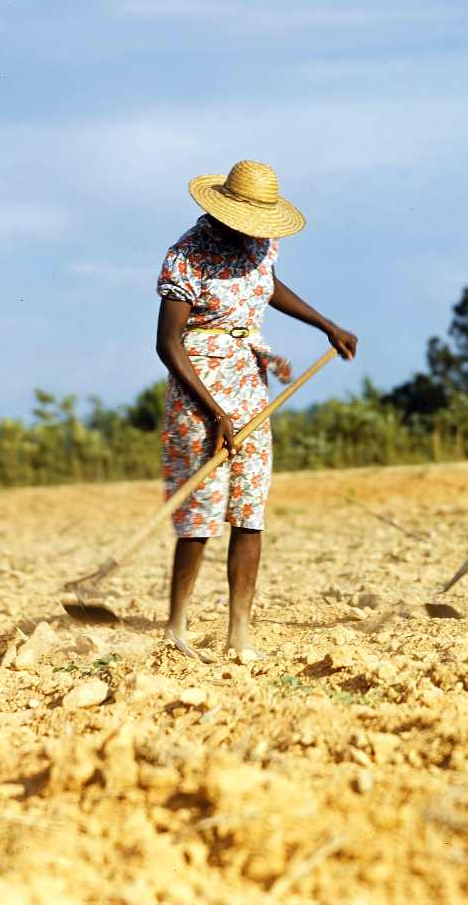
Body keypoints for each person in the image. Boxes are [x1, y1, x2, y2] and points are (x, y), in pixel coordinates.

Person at [157, 160, 356, 663]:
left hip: (249, 382)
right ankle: (176, 626)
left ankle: (238, 633)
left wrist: (325, 324)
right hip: (198, 386)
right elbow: (168, 345)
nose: (254, 233)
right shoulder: (186, 256)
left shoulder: (262, 244)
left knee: (249, 507)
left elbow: (268, 285)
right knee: (201, 508)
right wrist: (216, 413)